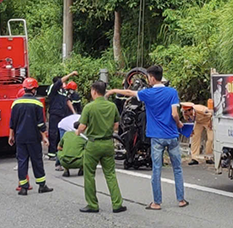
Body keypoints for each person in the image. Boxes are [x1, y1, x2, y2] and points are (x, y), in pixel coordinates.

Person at [107, 65, 187, 210]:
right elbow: (175, 114)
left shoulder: (147, 94)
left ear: (151, 77)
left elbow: (128, 92)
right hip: (172, 135)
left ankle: (156, 202)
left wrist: (112, 91)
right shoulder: (172, 92)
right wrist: (179, 123)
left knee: (156, 169)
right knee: (177, 168)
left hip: (156, 137)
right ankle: (181, 200)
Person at [75, 81, 126, 214]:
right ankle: (117, 204)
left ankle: (92, 204)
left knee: (89, 174)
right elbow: (116, 125)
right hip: (108, 143)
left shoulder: (89, 107)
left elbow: (82, 126)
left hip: (93, 144)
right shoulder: (112, 106)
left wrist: (78, 132)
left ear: (94, 91)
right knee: (110, 174)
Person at [9, 77, 53, 196]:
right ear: (33, 90)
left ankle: (23, 187)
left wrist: (11, 136)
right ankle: (42, 185)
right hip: (33, 137)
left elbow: (12, 122)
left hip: (20, 137)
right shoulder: (37, 103)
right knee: (36, 160)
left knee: (22, 161)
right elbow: (40, 123)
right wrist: (44, 136)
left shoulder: (16, 103)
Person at [47, 71, 78, 163]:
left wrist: (74, 112)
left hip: (63, 115)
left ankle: (61, 151)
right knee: (53, 133)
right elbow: (60, 82)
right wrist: (71, 74)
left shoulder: (63, 92)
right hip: (55, 114)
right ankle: (52, 153)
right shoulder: (53, 89)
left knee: (63, 133)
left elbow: (67, 101)